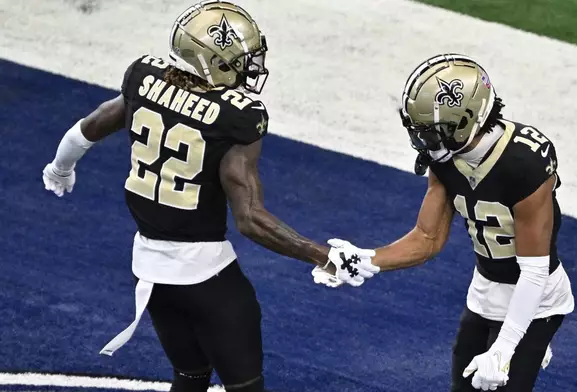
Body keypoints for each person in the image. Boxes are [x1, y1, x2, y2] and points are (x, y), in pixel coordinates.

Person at [41, 2, 379, 392]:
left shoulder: (142, 79)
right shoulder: (236, 115)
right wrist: (325, 255)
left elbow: (93, 124)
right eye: (238, 60)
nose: (249, 68)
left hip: (150, 271)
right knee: (245, 387)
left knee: (190, 376)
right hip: (205, 276)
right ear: (210, 61)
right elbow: (250, 218)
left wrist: (60, 167)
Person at [313, 54, 574, 391]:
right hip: (485, 288)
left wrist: (505, 349)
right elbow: (427, 237)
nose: (423, 140)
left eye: (431, 131)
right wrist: (368, 259)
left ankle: (530, 339)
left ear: (465, 121)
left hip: (538, 297)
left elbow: (534, 270)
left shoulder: (523, 161)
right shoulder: (446, 158)